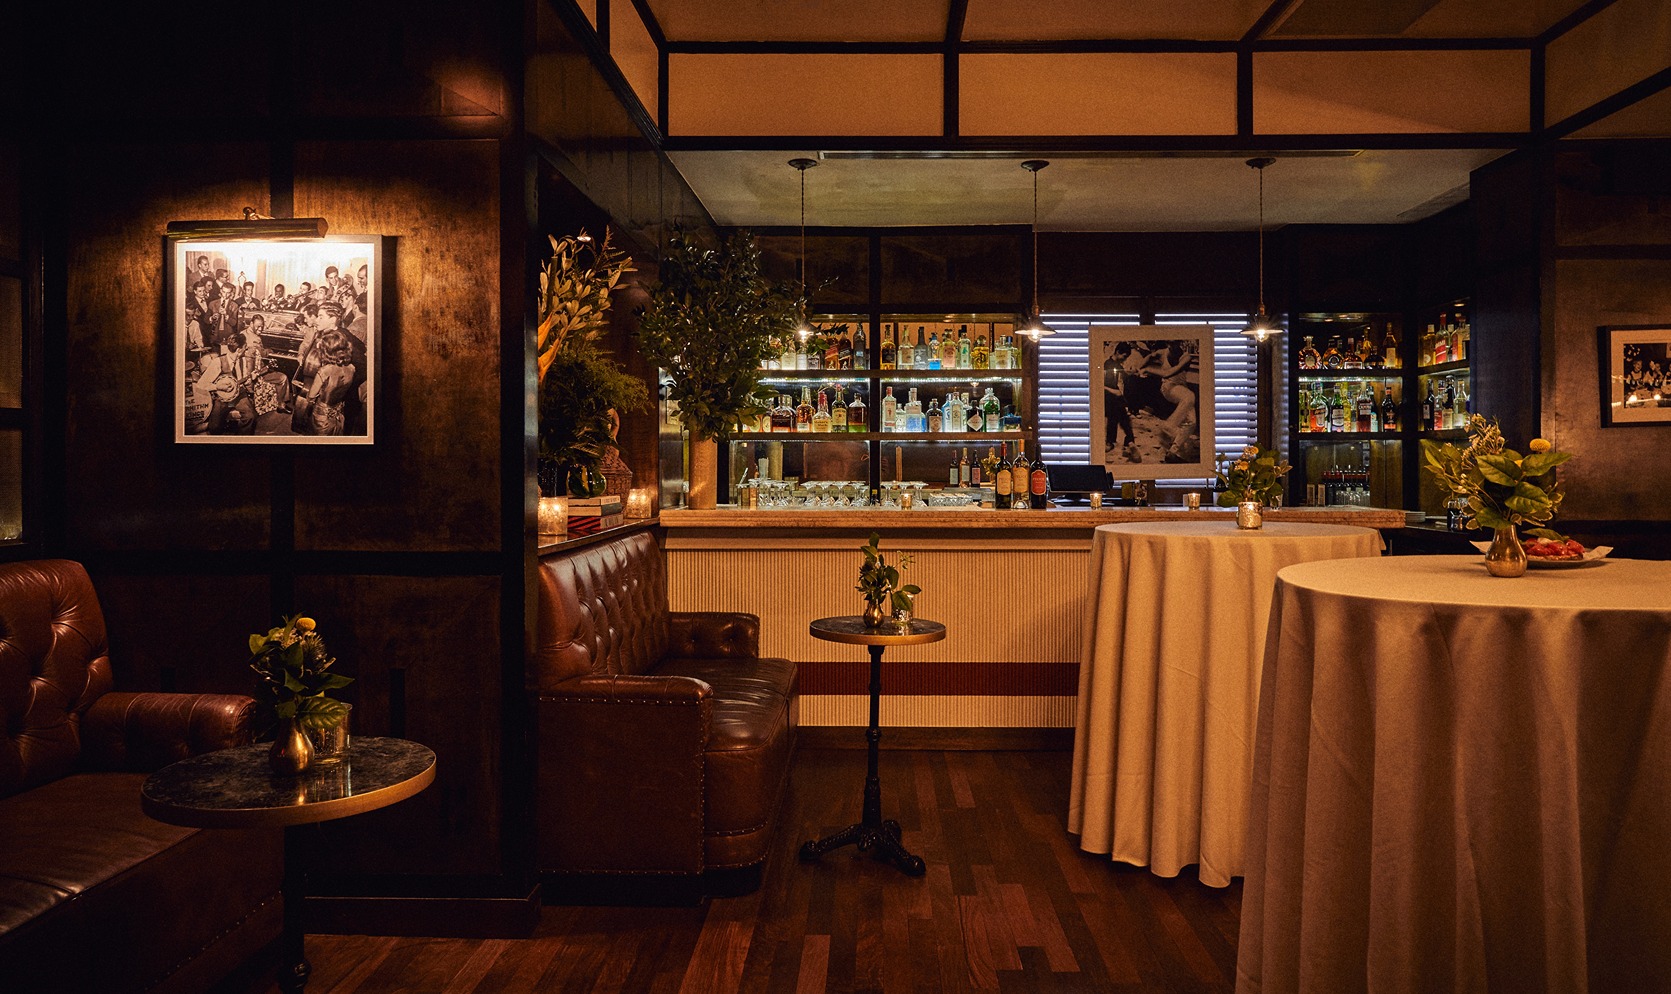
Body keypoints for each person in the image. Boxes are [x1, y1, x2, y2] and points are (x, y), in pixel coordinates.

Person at [302, 328, 357, 435]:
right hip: (339, 412)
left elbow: (311, 396)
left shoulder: (324, 371)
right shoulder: (351, 368)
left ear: (326, 352)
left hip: (322, 415)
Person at [1103, 343, 1138, 462]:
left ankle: (1125, 442)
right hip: (1108, 396)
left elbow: (1123, 376)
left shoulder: (1117, 365)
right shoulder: (1107, 365)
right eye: (1124, 356)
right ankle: (1129, 442)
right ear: (1117, 352)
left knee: (1121, 416)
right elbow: (1101, 385)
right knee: (1118, 416)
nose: (1125, 358)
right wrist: (1114, 391)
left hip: (1116, 397)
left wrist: (1131, 373)